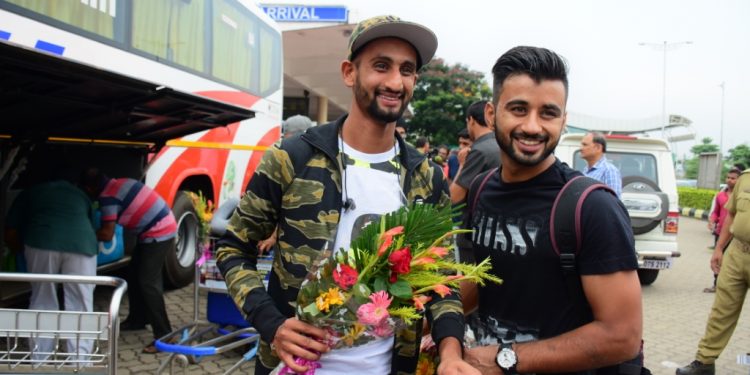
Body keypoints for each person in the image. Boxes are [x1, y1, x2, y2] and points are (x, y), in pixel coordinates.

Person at [215, 15, 472, 375]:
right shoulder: (292, 157)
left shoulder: (425, 178)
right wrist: (272, 325)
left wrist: (450, 353)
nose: (395, 82)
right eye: (381, 66)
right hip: (291, 368)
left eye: (407, 70)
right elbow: (232, 247)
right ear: (350, 72)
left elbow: (442, 280)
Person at [459, 46, 642, 374]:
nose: (532, 127)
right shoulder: (482, 188)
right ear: (491, 113)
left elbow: (622, 336)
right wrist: (426, 318)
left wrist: (505, 359)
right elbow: (482, 281)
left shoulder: (592, 207)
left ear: (564, 120)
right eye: (518, 109)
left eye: (548, 113)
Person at [80, 168, 177, 354]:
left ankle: (165, 336)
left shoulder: (107, 198)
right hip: (157, 226)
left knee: (148, 282)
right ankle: (137, 319)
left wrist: (84, 235)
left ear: (89, 188)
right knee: (133, 272)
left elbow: (107, 234)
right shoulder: (120, 181)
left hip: (158, 232)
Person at [5, 177, 98, 360]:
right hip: (82, 244)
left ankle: (40, 359)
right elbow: (91, 225)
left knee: (43, 297)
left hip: (42, 241)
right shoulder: (79, 193)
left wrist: (18, 251)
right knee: (81, 301)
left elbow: (11, 232)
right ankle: (80, 361)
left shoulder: (30, 192)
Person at [676, 167, 750, 375]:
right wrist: (719, 248)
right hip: (737, 251)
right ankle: (704, 362)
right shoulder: (745, 178)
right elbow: (732, 215)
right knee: (721, 311)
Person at [450, 100, 501, 206]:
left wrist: (462, 165)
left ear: (471, 120)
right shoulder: (502, 144)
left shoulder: (478, 151)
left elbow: (454, 197)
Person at [703, 167, 741, 293]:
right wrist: (712, 220)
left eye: (733, 178)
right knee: (718, 258)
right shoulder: (720, 195)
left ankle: (732, 287)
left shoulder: (742, 197)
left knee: (734, 261)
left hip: (736, 235)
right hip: (720, 233)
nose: (729, 180)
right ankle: (716, 284)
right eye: (728, 177)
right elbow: (715, 212)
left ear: (739, 180)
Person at [580, 132, 622, 197]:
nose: (581, 148)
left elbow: (613, 202)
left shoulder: (609, 171)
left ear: (598, 148)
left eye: (585, 145)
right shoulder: (585, 170)